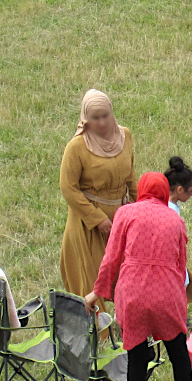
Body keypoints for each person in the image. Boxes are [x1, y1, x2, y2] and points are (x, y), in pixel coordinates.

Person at [85, 172, 192, 381]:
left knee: (136, 355)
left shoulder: (125, 213)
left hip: (131, 294)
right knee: (178, 354)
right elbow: (181, 266)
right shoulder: (175, 219)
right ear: (164, 193)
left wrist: (98, 292)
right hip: (166, 294)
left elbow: (111, 258)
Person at [60, 89, 137, 303]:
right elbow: (69, 188)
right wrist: (97, 219)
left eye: (106, 116)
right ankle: (97, 332)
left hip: (121, 216)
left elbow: (131, 176)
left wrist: (141, 208)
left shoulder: (126, 136)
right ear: (86, 119)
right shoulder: (76, 147)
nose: (102, 122)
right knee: (92, 277)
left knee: (128, 273)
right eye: (95, 118)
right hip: (88, 224)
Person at [163, 156, 192, 303]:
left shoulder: (165, 204)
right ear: (180, 190)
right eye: (190, 191)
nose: (191, 195)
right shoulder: (170, 210)